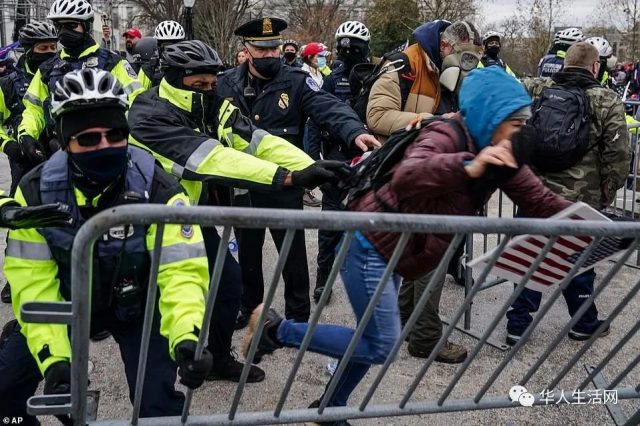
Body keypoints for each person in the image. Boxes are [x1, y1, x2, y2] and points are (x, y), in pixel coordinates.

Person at [244, 66, 572, 415]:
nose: (521, 134)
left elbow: (542, 201)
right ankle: (276, 331)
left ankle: (329, 410)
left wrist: (602, 227)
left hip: (399, 250)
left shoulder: (498, 150)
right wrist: (469, 165)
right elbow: (408, 176)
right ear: (493, 116)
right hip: (369, 244)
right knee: (380, 344)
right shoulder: (447, 135)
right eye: (516, 124)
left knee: (369, 339)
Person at [128, 39, 350, 382]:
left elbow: (256, 140)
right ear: (173, 79)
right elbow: (209, 158)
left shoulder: (213, 104)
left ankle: (217, 358)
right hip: (144, 221)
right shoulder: (149, 112)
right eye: (198, 84)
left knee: (228, 282)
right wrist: (287, 177)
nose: (208, 89)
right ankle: (166, 368)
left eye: (211, 82)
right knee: (156, 301)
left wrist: (313, 168)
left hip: (188, 218)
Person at [0, 68, 211, 424]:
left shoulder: (158, 187)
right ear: (66, 142)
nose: (104, 146)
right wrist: (55, 359)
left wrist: (187, 335)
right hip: (63, 303)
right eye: (88, 138)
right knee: (5, 392)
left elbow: (181, 271)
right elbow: (32, 282)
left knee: (158, 408)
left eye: (115, 134)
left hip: (136, 306)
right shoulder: (35, 192)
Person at [217, 16, 379, 330]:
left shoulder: (295, 80)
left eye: (273, 48)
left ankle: (298, 314)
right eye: (261, 50)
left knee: (292, 253)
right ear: (246, 50)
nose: (270, 55)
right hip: (244, 184)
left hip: (286, 182)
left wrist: (354, 131)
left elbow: (328, 106)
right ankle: (250, 306)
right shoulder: (226, 83)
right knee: (248, 252)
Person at [367, 19, 482, 363]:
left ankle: (409, 323)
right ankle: (426, 338)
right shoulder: (405, 64)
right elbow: (376, 115)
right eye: (464, 56)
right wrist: (428, 123)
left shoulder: (443, 72)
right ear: (446, 47)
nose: (468, 64)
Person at [508, 42, 631, 345]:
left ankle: (517, 326)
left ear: (565, 64)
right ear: (594, 66)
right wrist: (608, 191)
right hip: (580, 196)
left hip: (533, 192)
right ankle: (583, 323)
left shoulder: (537, 88)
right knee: (578, 259)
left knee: (528, 256)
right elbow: (619, 154)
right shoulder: (606, 99)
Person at [17, 0, 143, 171]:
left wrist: (118, 138)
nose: (63, 31)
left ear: (86, 26)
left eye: (71, 25)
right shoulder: (47, 69)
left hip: (105, 148)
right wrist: (26, 134)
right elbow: (34, 108)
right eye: (58, 26)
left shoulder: (113, 63)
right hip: (60, 152)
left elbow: (137, 104)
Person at [308, 20, 372, 302]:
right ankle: (324, 277)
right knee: (330, 223)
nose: (347, 52)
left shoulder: (378, 76)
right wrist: (312, 163)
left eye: (353, 47)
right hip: (337, 158)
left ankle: (369, 277)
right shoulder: (331, 79)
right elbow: (315, 119)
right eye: (343, 46)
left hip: (371, 156)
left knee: (370, 221)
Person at [0, 21, 59, 304]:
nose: (49, 52)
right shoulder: (8, 82)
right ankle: (15, 278)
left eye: (53, 47)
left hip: (58, 151)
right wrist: (9, 145)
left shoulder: (61, 73)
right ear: (28, 49)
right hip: (23, 157)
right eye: (43, 47)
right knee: (22, 214)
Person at [138, 20, 185, 90]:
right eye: (166, 46)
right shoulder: (148, 69)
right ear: (158, 47)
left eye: (175, 46)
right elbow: (138, 95)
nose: (170, 51)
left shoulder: (189, 68)